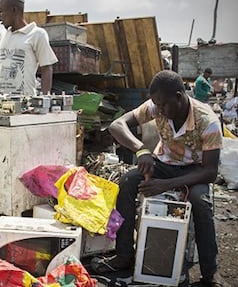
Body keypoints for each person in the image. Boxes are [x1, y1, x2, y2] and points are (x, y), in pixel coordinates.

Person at [92, 70, 229, 286]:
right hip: (163, 164)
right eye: (157, 105)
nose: (161, 111)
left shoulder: (208, 121)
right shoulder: (157, 107)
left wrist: (164, 185)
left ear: (179, 96)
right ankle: (124, 255)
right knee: (128, 182)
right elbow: (116, 125)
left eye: (164, 105)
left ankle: (210, 272)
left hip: (194, 170)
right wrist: (141, 150)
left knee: (201, 203)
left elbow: (210, 172)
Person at [0, 0, 58, 97]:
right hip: (1, 101)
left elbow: (46, 67)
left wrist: (44, 98)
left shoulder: (37, 34)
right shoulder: (5, 36)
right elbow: (5, 66)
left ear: (14, 10)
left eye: (2, 11)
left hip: (24, 102)